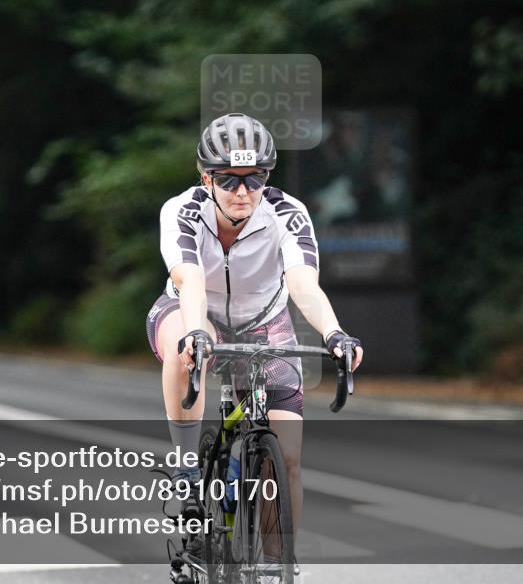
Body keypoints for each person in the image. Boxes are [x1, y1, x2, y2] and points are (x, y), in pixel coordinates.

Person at [145, 112, 365, 571]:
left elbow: (303, 282)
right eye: (229, 179)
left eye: (256, 178)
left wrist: (334, 333)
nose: (243, 192)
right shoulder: (182, 211)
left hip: (265, 323)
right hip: (190, 309)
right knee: (186, 349)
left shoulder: (287, 212)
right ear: (206, 178)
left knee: (285, 458)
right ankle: (187, 471)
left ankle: (276, 563)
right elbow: (189, 279)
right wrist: (198, 331)